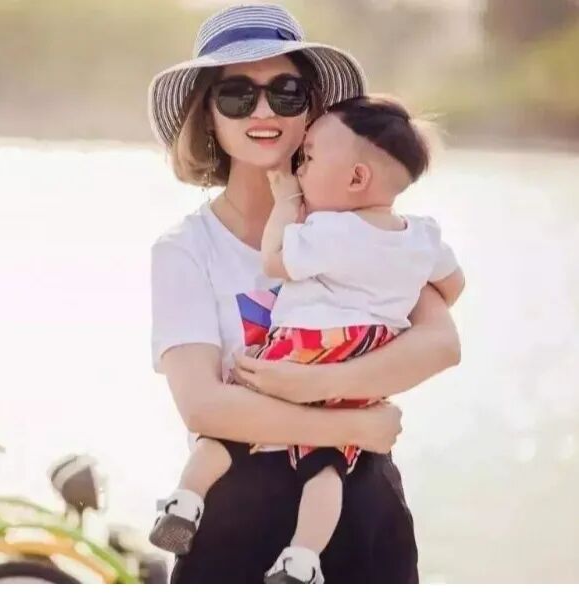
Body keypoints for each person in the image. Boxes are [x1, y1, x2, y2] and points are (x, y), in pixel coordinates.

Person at [149, 3, 460, 583]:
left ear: (313, 108)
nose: (264, 111)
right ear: (208, 116)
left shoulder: (364, 225)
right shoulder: (185, 249)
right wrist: (350, 426)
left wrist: (315, 384)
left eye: (286, 92)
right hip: (235, 516)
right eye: (237, 95)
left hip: (359, 508)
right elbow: (204, 406)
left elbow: (441, 344)